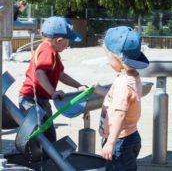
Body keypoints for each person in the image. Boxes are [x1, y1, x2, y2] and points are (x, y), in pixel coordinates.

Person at [18, 16, 86, 143]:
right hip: (30, 100)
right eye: (68, 41)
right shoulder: (46, 50)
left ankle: (49, 156)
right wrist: (53, 92)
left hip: (42, 99)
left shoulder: (54, 53)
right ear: (59, 40)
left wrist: (78, 86)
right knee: (37, 132)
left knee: (48, 130)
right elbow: (40, 74)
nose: (68, 45)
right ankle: (33, 157)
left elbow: (61, 75)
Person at [94, 26, 149, 171]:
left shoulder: (122, 83)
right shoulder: (132, 76)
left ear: (117, 57)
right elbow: (119, 98)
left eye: (108, 57)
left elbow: (119, 113)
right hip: (130, 136)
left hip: (119, 140)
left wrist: (111, 143)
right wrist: (99, 90)